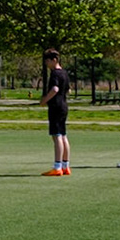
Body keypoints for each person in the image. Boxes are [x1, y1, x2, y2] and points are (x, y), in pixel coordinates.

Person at [40, 48, 70, 176]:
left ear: (54, 60)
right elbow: (68, 90)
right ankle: (65, 166)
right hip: (64, 106)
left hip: (56, 107)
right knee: (63, 135)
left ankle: (57, 166)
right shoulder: (64, 73)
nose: (47, 64)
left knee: (56, 135)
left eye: (48, 61)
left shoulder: (55, 74)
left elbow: (55, 89)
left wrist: (44, 100)